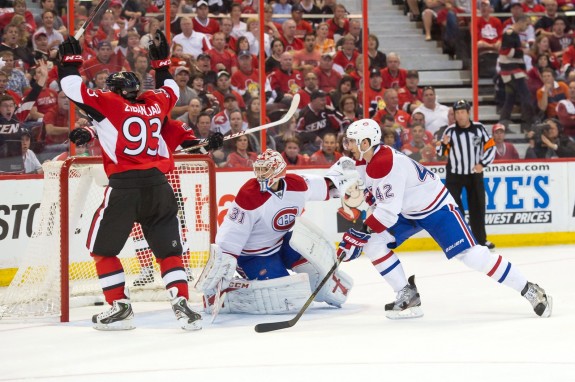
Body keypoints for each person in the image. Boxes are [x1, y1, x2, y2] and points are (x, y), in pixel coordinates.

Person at [57, 31, 221, 331]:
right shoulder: (156, 103)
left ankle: (119, 308)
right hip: (159, 186)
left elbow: (72, 87)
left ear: (115, 90)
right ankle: (182, 302)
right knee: (170, 251)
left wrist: (69, 62)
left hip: (125, 188)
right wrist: (161, 64)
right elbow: (170, 87)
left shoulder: (108, 103)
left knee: (103, 250)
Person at [337, 118, 553, 319]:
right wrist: (364, 229)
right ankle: (407, 295)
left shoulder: (384, 163)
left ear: (366, 142)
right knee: (375, 244)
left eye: (352, 141)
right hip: (408, 210)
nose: (348, 145)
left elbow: (386, 213)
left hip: (435, 207)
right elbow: (378, 198)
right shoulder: (368, 160)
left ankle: (530, 289)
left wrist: (361, 232)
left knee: (472, 255)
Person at [196, 150, 356, 315]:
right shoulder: (249, 195)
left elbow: (326, 186)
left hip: (282, 242)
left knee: (318, 274)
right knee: (286, 297)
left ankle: (326, 288)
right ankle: (231, 293)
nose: (260, 174)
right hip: (253, 256)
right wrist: (226, 257)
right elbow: (232, 232)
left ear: (279, 171)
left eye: (266, 170)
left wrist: (342, 181)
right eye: (258, 169)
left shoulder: (297, 184)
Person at [437, 100, 495, 249]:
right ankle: (462, 239)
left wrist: (482, 164)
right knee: (454, 208)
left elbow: (490, 147)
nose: (460, 115)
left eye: (463, 112)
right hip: (455, 175)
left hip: (474, 174)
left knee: (478, 207)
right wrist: (443, 145)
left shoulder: (479, 128)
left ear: (468, 113)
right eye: (457, 113)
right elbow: (441, 154)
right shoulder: (449, 131)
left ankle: (481, 240)